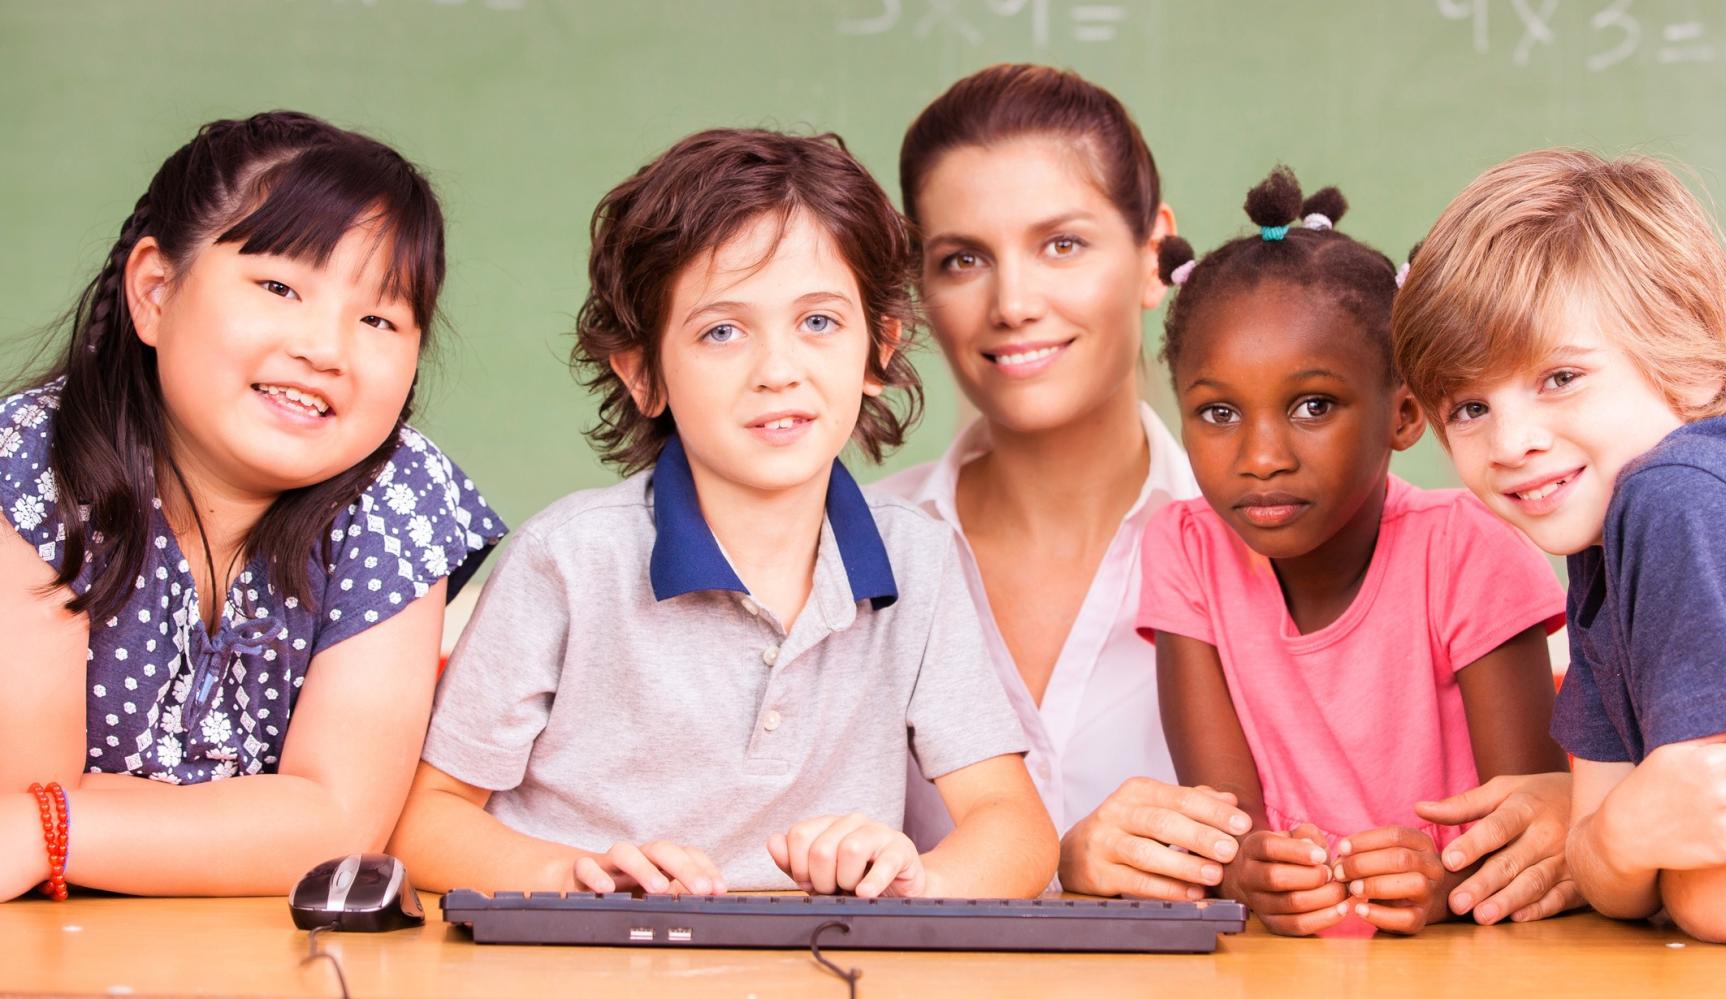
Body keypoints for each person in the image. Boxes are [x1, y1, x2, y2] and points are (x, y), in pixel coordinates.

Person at [883, 64, 1580, 921]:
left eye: (1061, 243)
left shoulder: (1413, 547)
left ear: (1151, 257)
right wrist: (1061, 864)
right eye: (961, 259)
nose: (1015, 302)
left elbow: (1530, 816)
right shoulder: (867, 550)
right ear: (919, 291)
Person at [389, 128, 1055, 899]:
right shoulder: (567, 560)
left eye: (818, 322)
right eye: (722, 331)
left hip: (813, 969)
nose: (778, 370)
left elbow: (1015, 826)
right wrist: (567, 876)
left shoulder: (918, 561)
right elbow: (426, 819)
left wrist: (913, 880)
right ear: (643, 375)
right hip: (584, 965)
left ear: (879, 348)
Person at [1393, 149, 1726, 990]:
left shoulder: (1677, 500)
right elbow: (1609, 859)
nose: (1511, 440)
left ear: (1690, 358)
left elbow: (1725, 905)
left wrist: (1617, 841)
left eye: (1560, 377)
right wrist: (1617, 839)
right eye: (1470, 406)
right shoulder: (1604, 554)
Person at [0, 112, 503, 899]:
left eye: (378, 318)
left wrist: (57, 829)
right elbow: (15, 799)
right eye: (279, 287)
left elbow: (340, 824)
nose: (326, 349)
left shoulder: (402, 495)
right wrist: (247, 826)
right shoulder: (35, 459)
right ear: (155, 291)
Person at [1139, 166, 1568, 936]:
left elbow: (1529, 832)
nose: (1261, 455)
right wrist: (1248, 870)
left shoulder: (1471, 554)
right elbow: (1226, 820)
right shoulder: (1186, 547)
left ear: (1404, 415)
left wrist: (1445, 885)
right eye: (1217, 411)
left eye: (1313, 405)